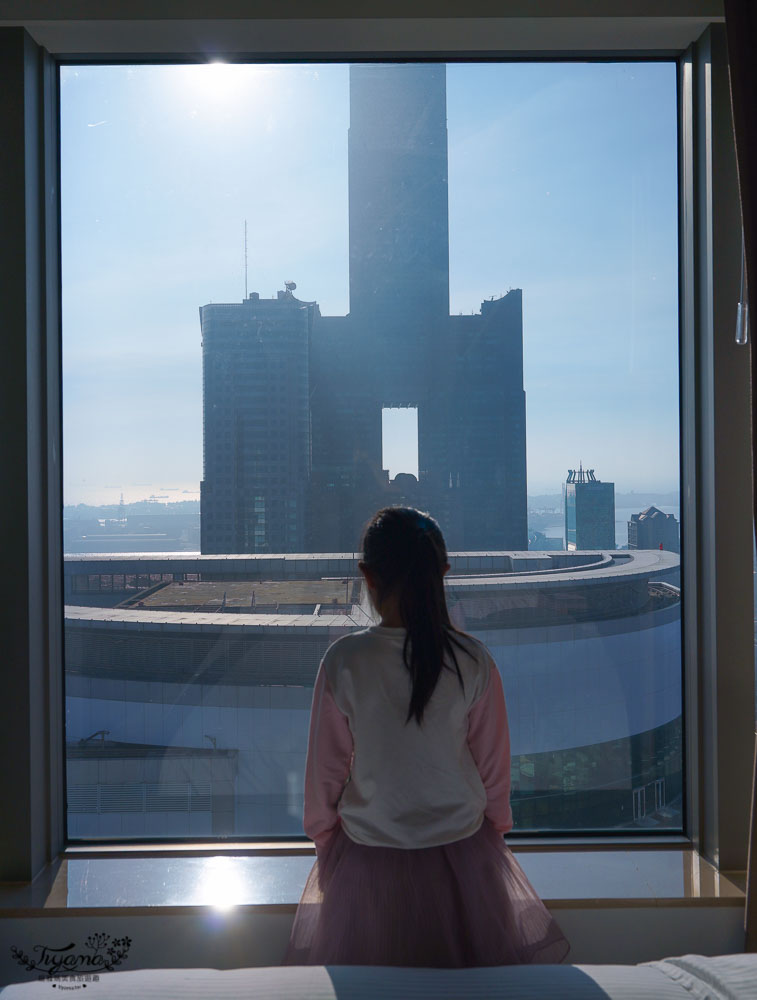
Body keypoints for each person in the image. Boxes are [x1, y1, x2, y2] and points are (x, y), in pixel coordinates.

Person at [284, 506, 569, 967]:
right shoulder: (473, 660)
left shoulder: (345, 662)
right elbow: (494, 774)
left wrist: (329, 850)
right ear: (443, 573)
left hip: (366, 859)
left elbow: (324, 778)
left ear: (368, 577)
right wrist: (489, 850)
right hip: (463, 857)